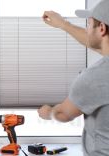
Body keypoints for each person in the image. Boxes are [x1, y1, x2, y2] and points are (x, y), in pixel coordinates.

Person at [37, 0, 109, 156]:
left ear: (102, 28)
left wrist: (48, 112)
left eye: (88, 25)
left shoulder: (95, 77)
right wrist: (63, 24)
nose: (87, 30)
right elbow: (98, 43)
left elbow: (63, 114)